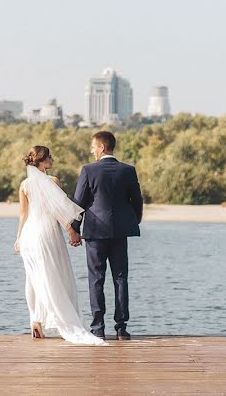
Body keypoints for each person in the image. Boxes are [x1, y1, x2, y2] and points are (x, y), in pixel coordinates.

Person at [14, 146, 107, 346]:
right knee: (53, 276)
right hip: (47, 234)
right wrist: (72, 231)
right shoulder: (52, 181)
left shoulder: (24, 185)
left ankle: (35, 320)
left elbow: (23, 214)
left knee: (34, 278)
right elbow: (58, 210)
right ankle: (60, 319)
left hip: (29, 235)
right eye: (49, 157)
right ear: (42, 161)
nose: (52, 160)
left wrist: (18, 237)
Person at [71, 131, 143, 340]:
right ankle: (121, 328)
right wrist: (133, 221)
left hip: (95, 232)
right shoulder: (128, 171)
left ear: (102, 147)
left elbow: (78, 203)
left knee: (96, 279)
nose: (91, 150)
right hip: (120, 231)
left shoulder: (88, 171)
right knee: (121, 279)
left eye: (93, 147)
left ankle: (98, 328)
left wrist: (75, 228)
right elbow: (137, 200)